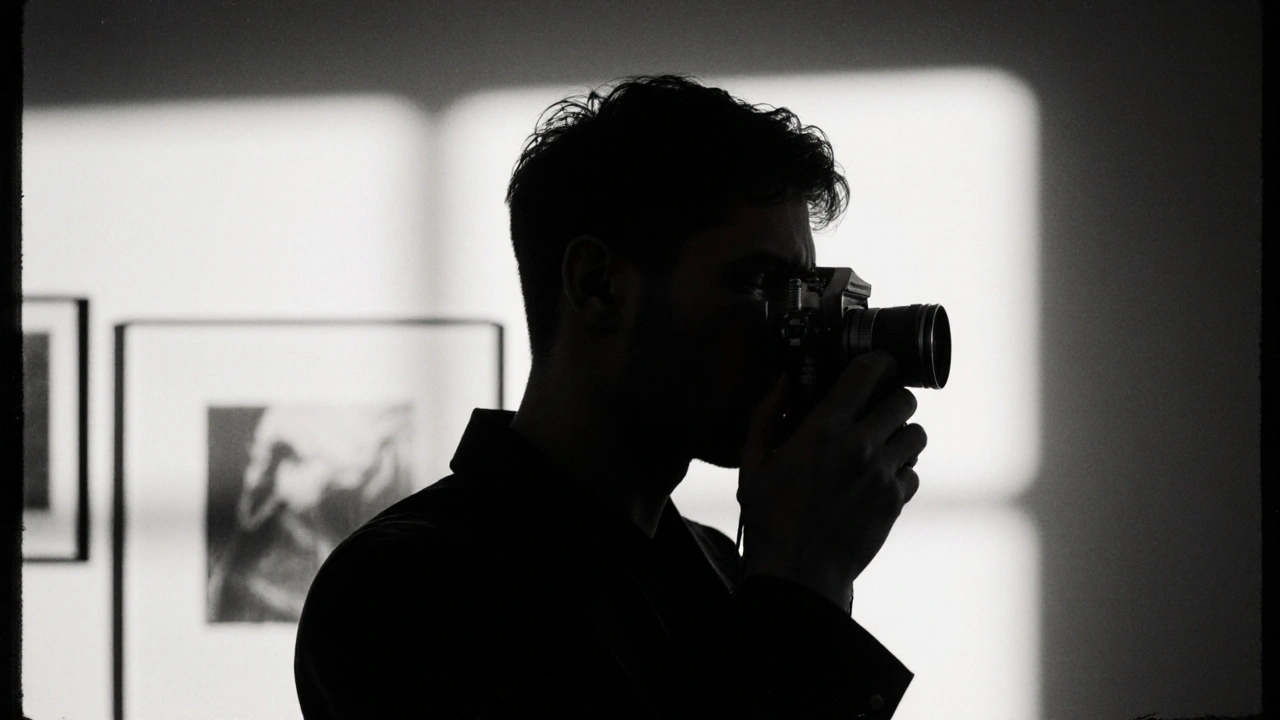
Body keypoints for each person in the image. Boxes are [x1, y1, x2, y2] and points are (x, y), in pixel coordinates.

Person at [294, 74, 927, 719]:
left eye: (804, 295)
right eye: (762, 285)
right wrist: (803, 587)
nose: (795, 334)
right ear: (599, 287)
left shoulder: (716, 567)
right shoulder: (404, 589)